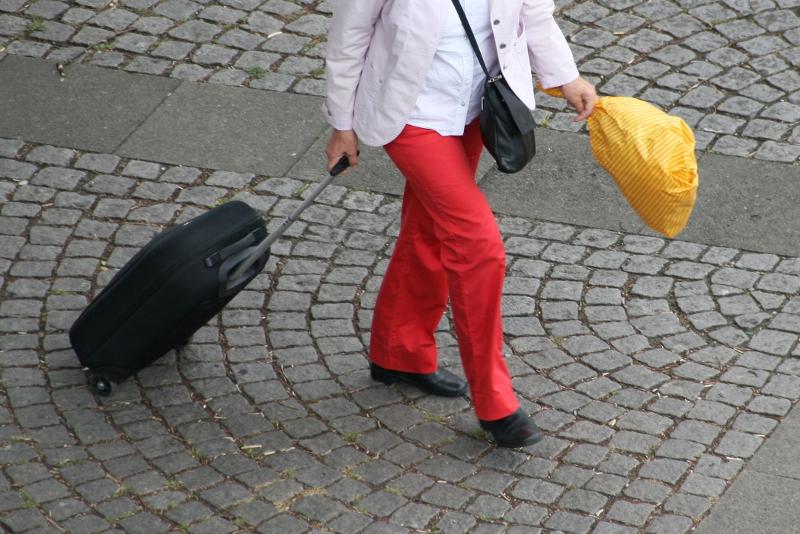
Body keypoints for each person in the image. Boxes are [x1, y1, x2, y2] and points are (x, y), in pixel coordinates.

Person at [323, 0, 597, 448]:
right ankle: (494, 400)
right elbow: (349, 36)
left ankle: (400, 352)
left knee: (429, 228)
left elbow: (533, 13)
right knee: (478, 246)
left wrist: (565, 77)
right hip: (411, 116)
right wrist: (342, 124)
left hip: (476, 109)